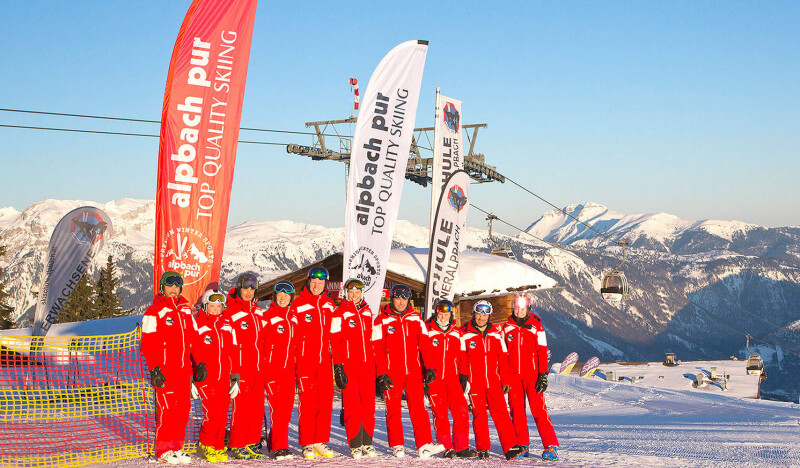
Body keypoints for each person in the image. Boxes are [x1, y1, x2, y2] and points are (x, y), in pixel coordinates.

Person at [373, 284, 445, 459]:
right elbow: (377, 348)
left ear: (408, 300)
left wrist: (430, 367)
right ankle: (397, 445)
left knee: (419, 408)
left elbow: (425, 345)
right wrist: (381, 372)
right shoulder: (381, 320)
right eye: (397, 298)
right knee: (393, 409)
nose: (400, 302)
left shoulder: (415, 319)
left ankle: (424, 445)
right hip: (392, 372)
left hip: (413, 371)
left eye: (404, 298)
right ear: (392, 299)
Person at [140, 271, 197, 465]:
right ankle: (164, 449)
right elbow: (147, 342)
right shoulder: (154, 311)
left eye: (177, 286)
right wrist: (154, 368)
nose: (173, 289)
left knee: (183, 410)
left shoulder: (186, 310)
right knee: (167, 410)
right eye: (169, 285)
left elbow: (194, 340)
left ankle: (177, 446)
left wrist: (198, 365)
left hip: (184, 370)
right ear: (162, 287)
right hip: (165, 370)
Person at [461, 300, 528, 461]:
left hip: (494, 381)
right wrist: (464, 379)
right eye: (479, 313)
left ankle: (510, 446)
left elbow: (503, 359)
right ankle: (483, 448)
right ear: (474, 314)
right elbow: (461, 359)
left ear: (489, 316)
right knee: (479, 415)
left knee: (501, 413)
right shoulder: (464, 333)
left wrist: (505, 380)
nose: (481, 317)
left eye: (485, 314)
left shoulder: (496, 334)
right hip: (475, 382)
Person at [502, 294, 560, 461]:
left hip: (532, 375)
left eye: (522, 308)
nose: (519, 311)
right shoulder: (506, 327)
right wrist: (504, 376)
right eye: (516, 308)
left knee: (538, 411)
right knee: (516, 411)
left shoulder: (537, 327)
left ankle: (551, 446)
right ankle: (522, 445)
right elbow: (503, 353)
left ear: (528, 308)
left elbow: (542, 351)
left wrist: (543, 374)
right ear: (513, 308)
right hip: (513, 376)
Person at [289, 266, 336, 459]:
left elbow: (336, 333)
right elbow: (291, 335)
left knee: (325, 403)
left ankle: (320, 440)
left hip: (325, 361)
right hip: (305, 361)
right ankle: (307, 442)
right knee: (307, 403)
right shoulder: (298, 304)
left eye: (321, 282)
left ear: (325, 284)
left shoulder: (329, 305)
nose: (317, 285)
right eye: (313, 282)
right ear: (308, 282)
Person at [330, 278, 378, 459]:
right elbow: (335, 341)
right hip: (349, 365)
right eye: (351, 292)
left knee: (368, 405)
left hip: (367, 365)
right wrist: (338, 366)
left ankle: (368, 442)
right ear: (346, 294)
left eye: (357, 292)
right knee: (352, 406)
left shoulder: (367, 311)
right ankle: (355, 444)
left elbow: (372, 339)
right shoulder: (339, 313)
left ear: (362, 293)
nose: (354, 296)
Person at [424, 299, 477, 459]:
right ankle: (446, 447)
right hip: (434, 379)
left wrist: (464, 375)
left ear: (451, 315)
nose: (443, 317)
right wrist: (423, 377)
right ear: (436, 313)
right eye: (440, 314)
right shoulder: (427, 329)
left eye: (446, 314)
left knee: (461, 411)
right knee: (440, 413)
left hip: (453, 378)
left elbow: (462, 356)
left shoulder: (457, 332)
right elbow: (420, 355)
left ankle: (461, 447)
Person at [192, 289, 239, 463]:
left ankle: (218, 445)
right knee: (211, 413)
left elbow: (234, 350)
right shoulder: (199, 323)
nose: (215, 309)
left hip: (224, 377)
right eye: (212, 306)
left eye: (218, 306)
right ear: (205, 306)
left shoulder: (227, 323)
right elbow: (191, 349)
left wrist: (235, 375)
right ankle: (206, 443)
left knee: (222, 414)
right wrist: (196, 369)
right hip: (206, 376)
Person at [224, 273, 267, 460]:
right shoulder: (231, 312)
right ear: (238, 288)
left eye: (252, 288)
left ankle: (252, 442)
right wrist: (232, 370)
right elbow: (227, 344)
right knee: (240, 408)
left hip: (258, 368)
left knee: (257, 408)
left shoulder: (258, 312)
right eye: (245, 288)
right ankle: (237, 444)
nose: (248, 292)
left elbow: (264, 340)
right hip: (241, 369)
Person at [261, 280, 298, 461]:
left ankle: (272, 441)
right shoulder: (267, 316)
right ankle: (280, 447)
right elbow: (258, 343)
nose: (282, 298)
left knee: (287, 409)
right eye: (279, 295)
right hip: (272, 370)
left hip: (289, 371)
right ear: (274, 296)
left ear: (291, 297)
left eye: (286, 295)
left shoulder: (293, 317)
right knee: (278, 410)